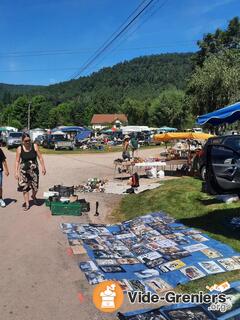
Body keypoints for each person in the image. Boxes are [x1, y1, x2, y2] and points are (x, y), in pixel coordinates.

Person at [15, 133, 46, 211]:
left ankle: (33, 196)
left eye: (29, 140)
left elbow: (40, 157)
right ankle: (27, 204)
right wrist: (16, 172)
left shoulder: (34, 146)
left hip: (34, 171)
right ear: (22, 141)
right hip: (23, 172)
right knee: (25, 188)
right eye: (26, 141)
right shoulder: (19, 148)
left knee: (35, 187)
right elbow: (17, 161)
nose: (28, 142)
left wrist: (43, 167)